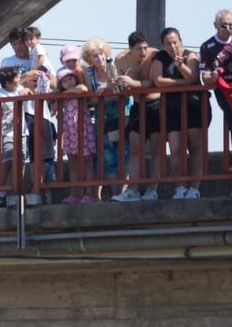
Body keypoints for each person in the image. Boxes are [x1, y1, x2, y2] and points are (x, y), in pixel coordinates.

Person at [0, 27, 56, 203]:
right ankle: (7, 194)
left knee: (43, 153)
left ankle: (41, 191)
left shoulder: (39, 57)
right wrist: (27, 76)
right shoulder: (7, 61)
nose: (18, 47)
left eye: (21, 42)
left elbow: (54, 81)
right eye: (14, 43)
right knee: (15, 154)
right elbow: (5, 83)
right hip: (16, 114)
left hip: (40, 112)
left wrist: (41, 76)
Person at [112, 32, 163, 202]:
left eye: (145, 47)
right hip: (137, 106)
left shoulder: (155, 55)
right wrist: (119, 84)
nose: (143, 52)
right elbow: (119, 84)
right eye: (139, 48)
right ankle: (132, 189)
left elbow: (155, 81)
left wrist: (133, 83)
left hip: (156, 105)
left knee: (156, 150)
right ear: (130, 49)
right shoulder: (121, 60)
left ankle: (152, 190)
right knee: (135, 150)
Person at [153, 27, 204, 199]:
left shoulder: (190, 55)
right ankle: (180, 185)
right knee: (175, 148)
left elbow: (193, 78)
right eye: (168, 43)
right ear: (162, 45)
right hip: (171, 108)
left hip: (193, 106)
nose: (172, 46)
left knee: (195, 147)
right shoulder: (159, 57)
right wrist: (181, 82)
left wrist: (180, 64)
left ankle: (194, 188)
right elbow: (158, 81)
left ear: (181, 41)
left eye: (175, 42)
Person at [80, 38, 130, 200]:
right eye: (94, 56)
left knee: (124, 155)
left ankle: (123, 193)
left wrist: (108, 90)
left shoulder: (114, 67)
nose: (99, 58)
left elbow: (122, 91)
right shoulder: (88, 73)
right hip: (102, 119)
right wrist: (100, 93)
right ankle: (115, 193)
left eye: (101, 54)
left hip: (122, 116)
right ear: (89, 59)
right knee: (108, 158)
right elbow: (91, 100)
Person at [56, 53, 98, 203]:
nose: (68, 82)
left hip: (82, 127)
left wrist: (64, 94)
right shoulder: (62, 96)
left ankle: (90, 192)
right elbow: (54, 103)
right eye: (64, 81)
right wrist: (62, 95)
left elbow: (83, 89)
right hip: (69, 130)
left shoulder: (78, 87)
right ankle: (75, 193)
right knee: (73, 160)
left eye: (70, 78)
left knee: (87, 160)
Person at [200, 9, 232, 150]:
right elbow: (204, 77)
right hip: (224, 91)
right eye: (224, 25)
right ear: (215, 25)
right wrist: (212, 77)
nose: (228, 29)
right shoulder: (207, 46)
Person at [0, 66, 30, 207]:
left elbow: (28, 91)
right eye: (16, 78)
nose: (19, 79)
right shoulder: (0, 96)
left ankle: (18, 193)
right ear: (8, 83)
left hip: (22, 133)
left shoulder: (19, 89)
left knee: (21, 162)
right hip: (6, 133)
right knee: (7, 163)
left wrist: (27, 91)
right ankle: (0, 195)